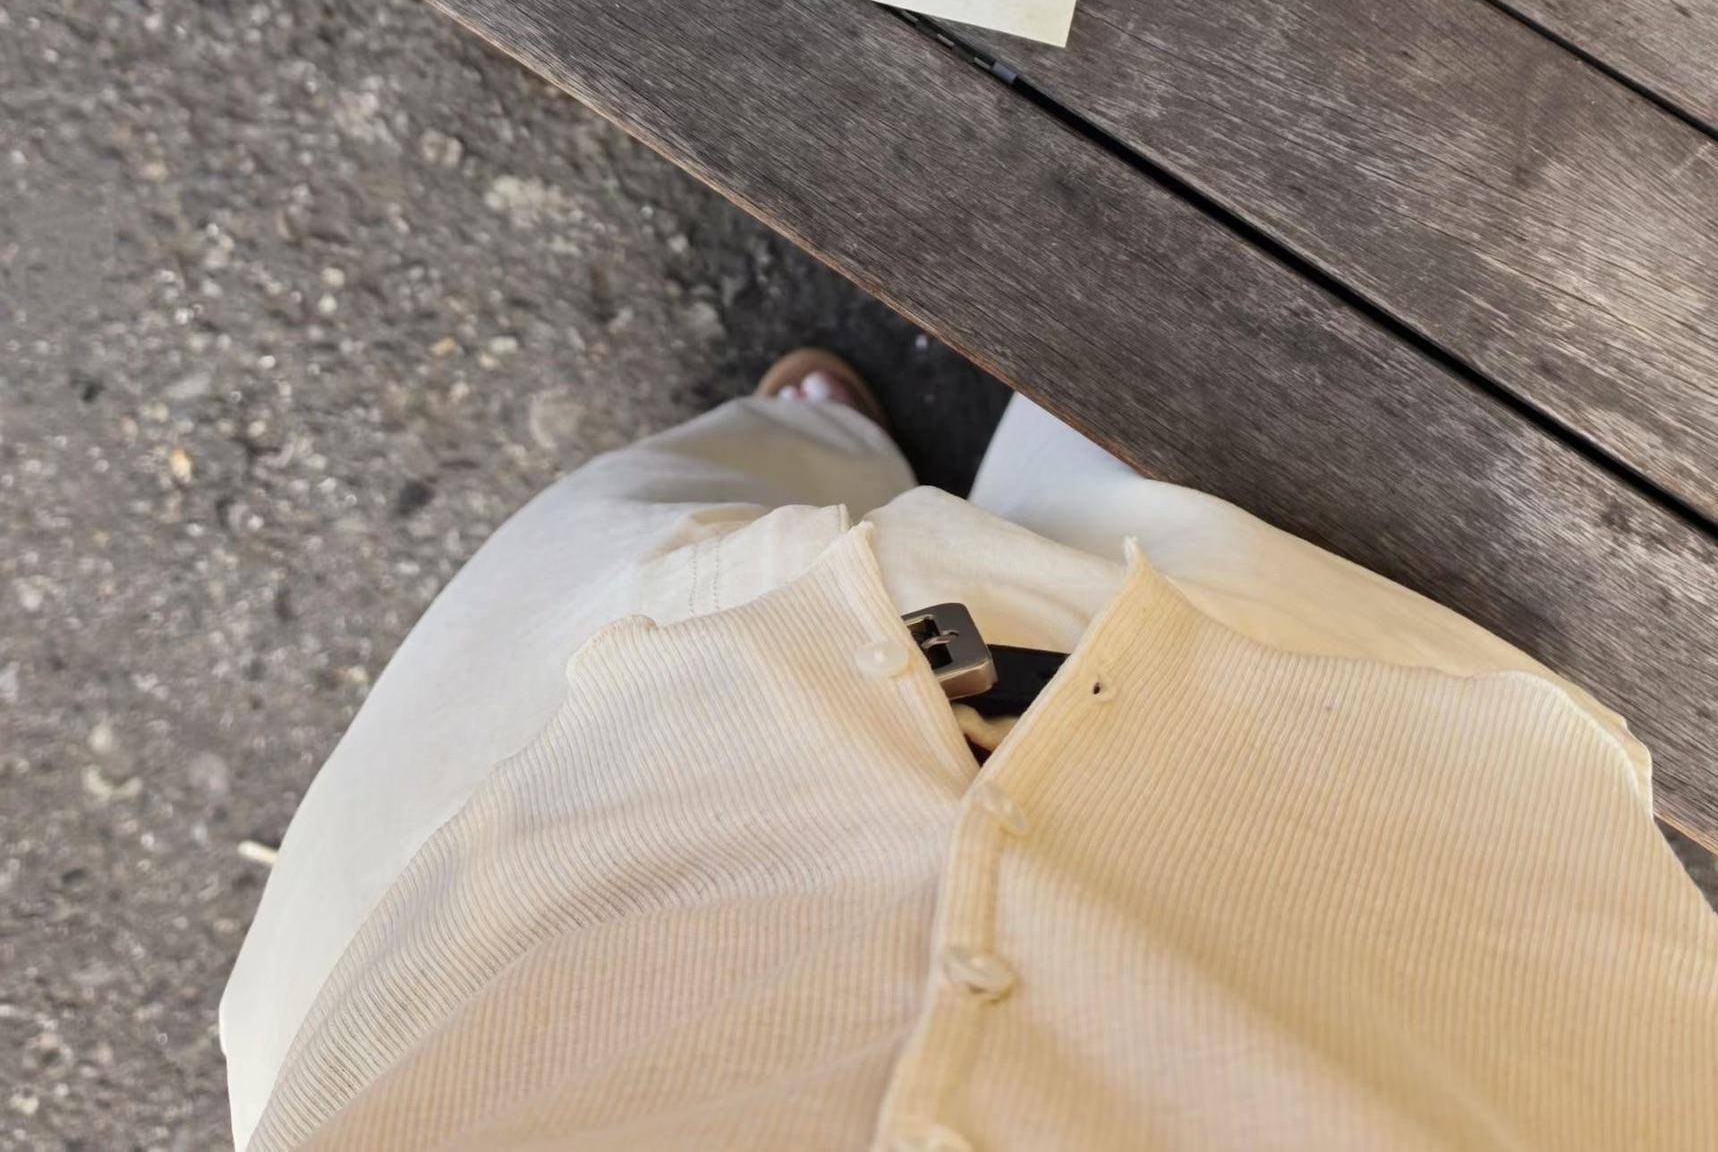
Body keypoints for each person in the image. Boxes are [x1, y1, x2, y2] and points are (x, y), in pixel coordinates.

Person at [223, 353, 1718, 1150]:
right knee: (1184, 358)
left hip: (534, 834)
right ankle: (894, 440)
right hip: (1323, 735)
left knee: (622, 526)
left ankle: (803, 434)